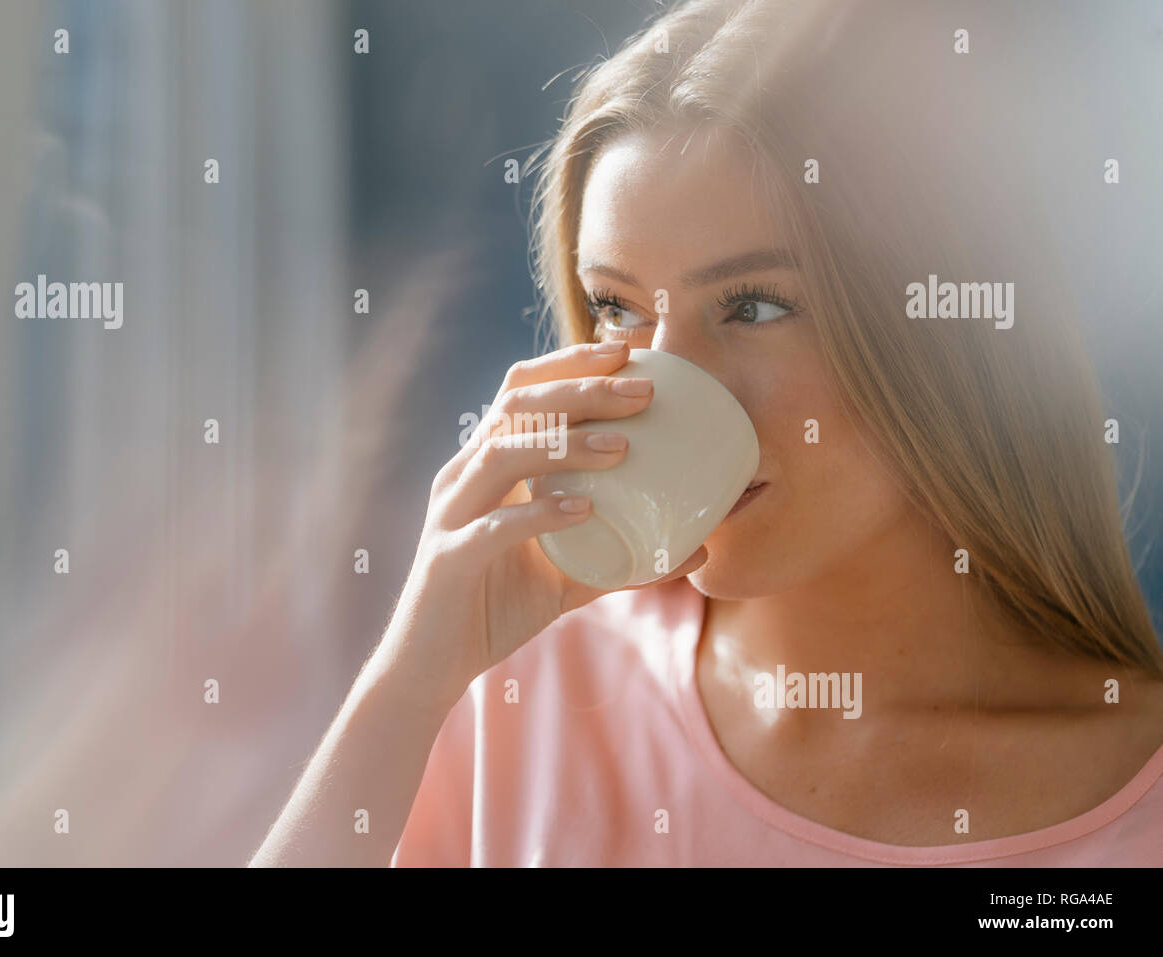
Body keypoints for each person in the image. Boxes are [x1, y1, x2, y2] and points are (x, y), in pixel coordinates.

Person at [250, 0, 1163, 866]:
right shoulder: (519, 690)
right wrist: (408, 683)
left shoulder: (1133, 789)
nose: (666, 382)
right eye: (617, 308)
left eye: (754, 305)